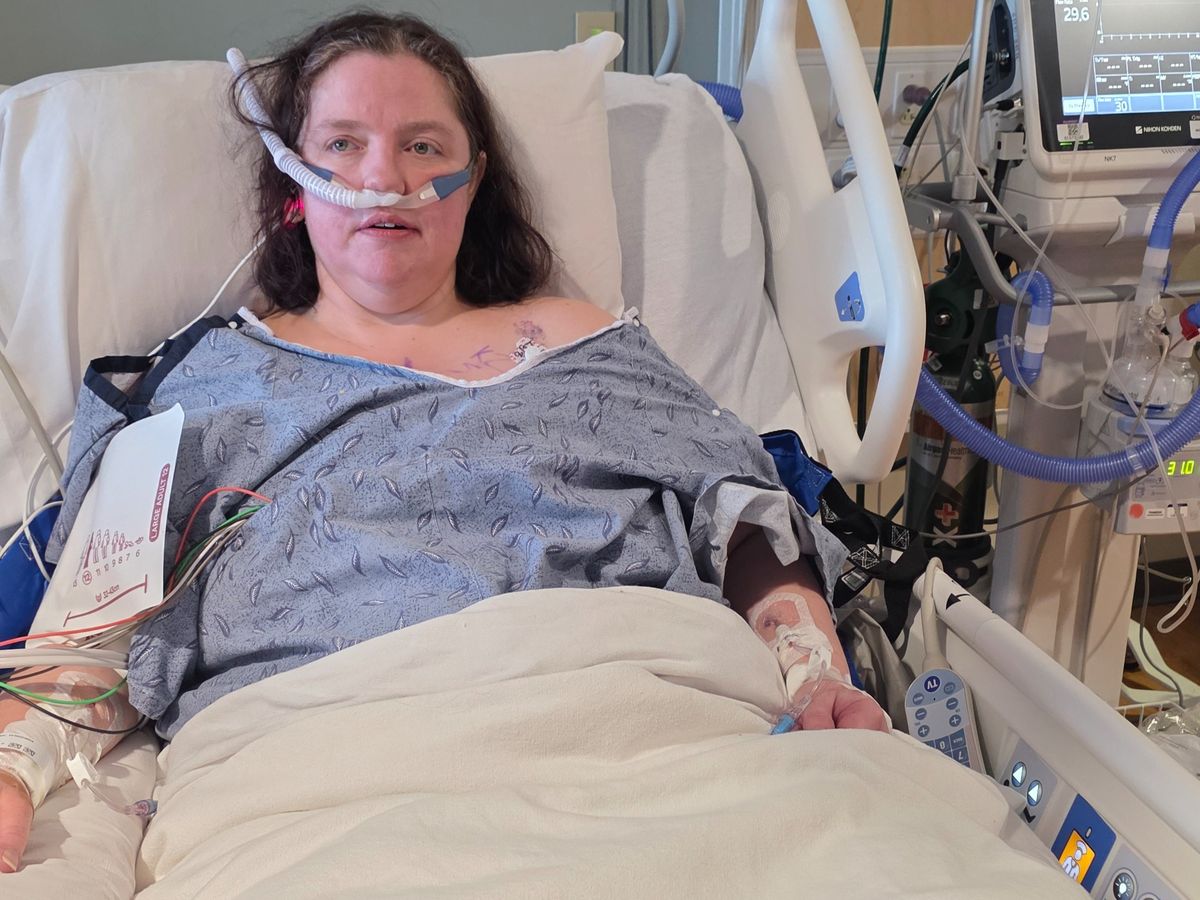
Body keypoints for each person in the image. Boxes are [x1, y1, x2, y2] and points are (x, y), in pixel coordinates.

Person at [0, 11, 886, 875]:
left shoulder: (587, 341)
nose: (384, 176)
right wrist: (12, 768)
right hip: (320, 775)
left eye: (423, 145)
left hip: (651, 726)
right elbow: (96, 629)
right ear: (292, 176)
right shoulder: (207, 383)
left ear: (475, 175)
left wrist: (816, 678)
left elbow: (741, 516)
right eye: (343, 143)